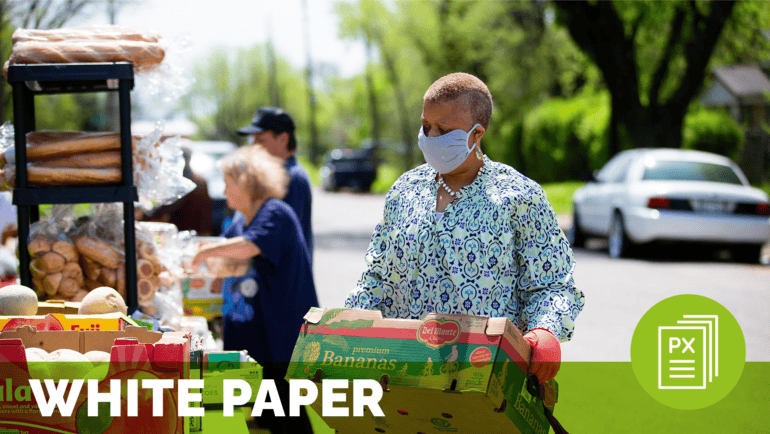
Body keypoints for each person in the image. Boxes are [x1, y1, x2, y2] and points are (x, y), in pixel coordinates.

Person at [345, 72, 585, 384]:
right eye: (426, 126)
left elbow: (553, 285)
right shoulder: (405, 190)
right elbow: (376, 278)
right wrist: (348, 326)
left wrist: (546, 331)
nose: (431, 137)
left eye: (443, 130)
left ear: (476, 134)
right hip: (401, 375)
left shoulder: (518, 196)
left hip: (486, 379)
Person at [192, 146, 318, 433]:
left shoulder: (276, 212)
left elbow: (249, 247)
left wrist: (204, 251)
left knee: (288, 416)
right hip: (252, 337)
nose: (224, 191)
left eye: (228, 183)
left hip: (279, 337)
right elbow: (227, 262)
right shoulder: (240, 220)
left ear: (246, 182)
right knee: (262, 419)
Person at [237, 107, 313, 259]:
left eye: (261, 140)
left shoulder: (291, 178)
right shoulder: (273, 175)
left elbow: (276, 239)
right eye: (252, 140)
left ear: (283, 139)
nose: (254, 146)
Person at [143, 147, 214, 236]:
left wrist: (147, 215)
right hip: (201, 232)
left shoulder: (185, 182)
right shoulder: (200, 179)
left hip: (185, 233)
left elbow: (169, 206)